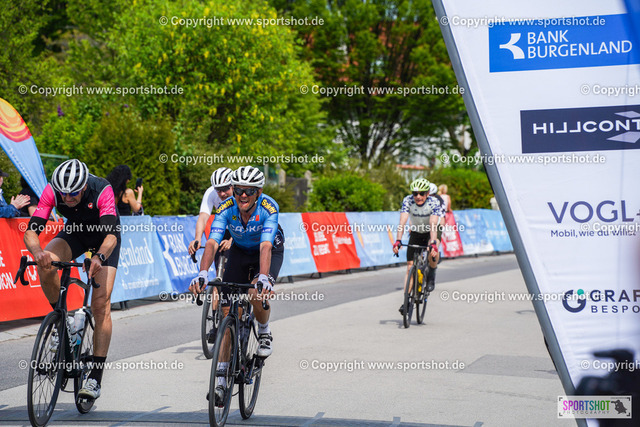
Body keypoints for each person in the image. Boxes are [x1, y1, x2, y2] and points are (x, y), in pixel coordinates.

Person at [23, 159, 121, 400]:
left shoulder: (102, 190)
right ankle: (62, 322)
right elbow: (31, 230)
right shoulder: (52, 190)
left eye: (73, 193)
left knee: (100, 304)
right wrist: (38, 252)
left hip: (104, 240)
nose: (67, 198)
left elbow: (111, 236)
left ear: (84, 185)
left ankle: (95, 378)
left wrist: (99, 257)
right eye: (63, 194)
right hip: (75, 233)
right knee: (46, 264)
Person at [189, 165, 285, 406]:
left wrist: (264, 278)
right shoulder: (225, 208)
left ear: (258, 192)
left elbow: (265, 246)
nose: (243, 195)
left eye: (249, 191)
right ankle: (221, 380)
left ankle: (264, 331)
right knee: (226, 311)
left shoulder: (269, 207)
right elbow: (213, 242)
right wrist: (202, 273)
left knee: (254, 292)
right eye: (239, 190)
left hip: (268, 250)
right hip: (241, 251)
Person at [187, 166, 234, 343]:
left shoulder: (240, 194)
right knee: (218, 278)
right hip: (221, 230)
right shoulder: (210, 193)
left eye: (225, 189)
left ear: (233, 185)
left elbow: (247, 222)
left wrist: (233, 241)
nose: (221, 194)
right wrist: (197, 238)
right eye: (218, 190)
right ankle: (215, 323)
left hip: (240, 232)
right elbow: (203, 217)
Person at [392, 178, 444, 314]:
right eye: (415, 193)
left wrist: (433, 244)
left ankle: (432, 272)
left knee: (433, 250)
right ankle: (406, 301)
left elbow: (433, 224)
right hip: (417, 230)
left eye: (421, 193)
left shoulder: (434, 202)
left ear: (427, 194)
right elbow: (402, 222)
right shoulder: (408, 200)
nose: (418, 197)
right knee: (410, 267)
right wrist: (398, 240)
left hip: (432, 230)